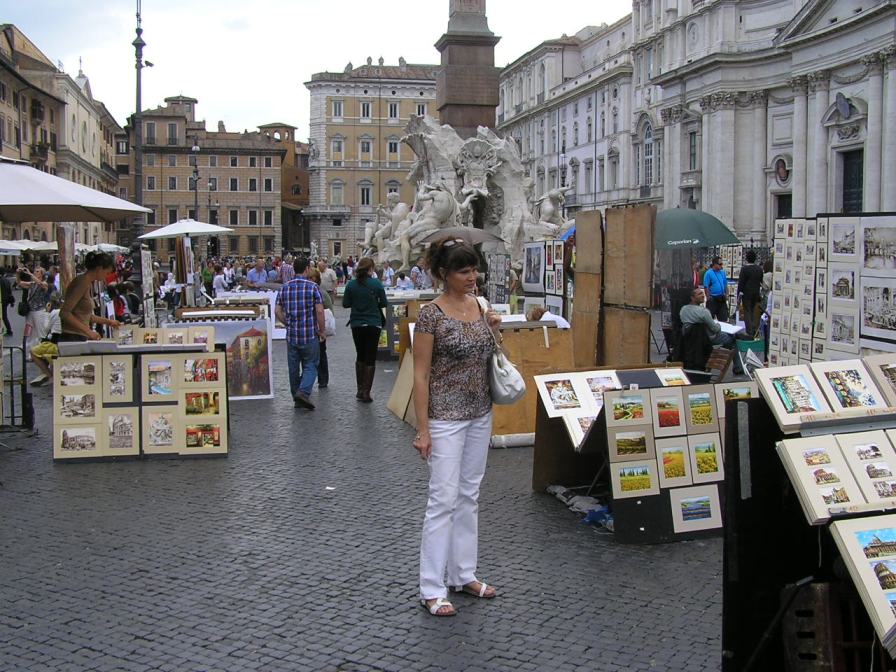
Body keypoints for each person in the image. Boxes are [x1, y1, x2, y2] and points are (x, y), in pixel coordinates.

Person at [412, 237, 502, 617]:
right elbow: (420, 375)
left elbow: (494, 357)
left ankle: (463, 573)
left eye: (474, 269)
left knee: (469, 495)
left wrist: (495, 329)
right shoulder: (430, 314)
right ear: (444, 274)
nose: (472, 276)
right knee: (443, 500)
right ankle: (431, 586)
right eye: (464, 270)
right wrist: (423, 429)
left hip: (480, 411)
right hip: (444, 418)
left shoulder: (480, 306)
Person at [275, 257, 325, 410]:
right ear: (307, 269)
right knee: (311, 364)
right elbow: (319, 311)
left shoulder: (285, 287)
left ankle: (296, 396)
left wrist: (287, 322)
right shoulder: (312, 287)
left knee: (293, 367)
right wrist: (322, 330)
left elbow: (277, 311)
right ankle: (303, 392)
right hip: (309, 334)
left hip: (292, 335)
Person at [342, 257, 388, 403]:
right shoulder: (376, 283)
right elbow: (384, 303)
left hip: (357, 324)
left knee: (360, 355)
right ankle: (367, 392)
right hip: (373, 324)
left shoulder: (351, 285)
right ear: (371, 269)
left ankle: (359, 389)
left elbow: (345, 303)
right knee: (370, 357)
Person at [60, 252, 122, 341]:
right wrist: (89, 332)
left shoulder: (87, 283)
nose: (106, 276)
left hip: (79, 336)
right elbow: (64, 313)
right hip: (73, 337)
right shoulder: (82, 282)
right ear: (100, 269)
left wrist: (109, 322)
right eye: (107, 273)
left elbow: (85, 315)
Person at [29, 293, 63, 386]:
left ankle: (50, 375)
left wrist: (47, 313)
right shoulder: (67, 311)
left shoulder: (54, 313)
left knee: (33, 352)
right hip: (66, 342)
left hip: (55, 345)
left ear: (50, 303)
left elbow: (45, 329)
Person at [306, 267, 332, 389]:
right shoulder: (306, 291)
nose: (310, 280)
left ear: (317, 279)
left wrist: (323, 328)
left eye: (312, 278)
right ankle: (309, 379)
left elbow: (329, 310)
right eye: (308, 278)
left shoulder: (322, 292)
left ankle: (323, 380)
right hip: (308, 327)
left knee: (321, 354)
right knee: (308, 355)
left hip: (319, 327)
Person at [17, 266, 51, 356]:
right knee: (30, 333)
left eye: (37, 271)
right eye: (35, 271)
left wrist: (30, 274)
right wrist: (18, 274)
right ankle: (31, 352)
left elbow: (41, 284)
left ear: (41, 274)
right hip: (30, 311)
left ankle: (42, 351)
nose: (35, 272)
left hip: (39, 311)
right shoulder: (32, 284)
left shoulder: (44, 283)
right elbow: (20, 283)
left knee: (40, 332)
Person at [737, 249, 764, 337]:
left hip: (746, 293)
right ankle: (753, 327)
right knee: (752, 311)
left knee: (747, 312)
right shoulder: (759, 269)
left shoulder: (744, 269)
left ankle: (749, 331)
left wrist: (738, 297)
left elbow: (741, 283)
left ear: (746, 258)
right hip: (755, 293)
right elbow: (761, 281)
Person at [702, 256, 729, 322]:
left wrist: (727, 294)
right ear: (714, 264)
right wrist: (708, 297)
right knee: (710, 319)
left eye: (722, 264)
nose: (721, 266)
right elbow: (706, 286)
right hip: (713, 298)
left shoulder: (722, 272)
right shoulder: (708, 273)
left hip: (722, 298)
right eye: (720, 264)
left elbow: (725, 284)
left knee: (724, 318)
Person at [0, 269, 14, 336]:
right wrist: (11, 302)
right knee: (4, 316)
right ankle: (9, 330)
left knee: (3, 316)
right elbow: (10, 292)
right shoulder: (7, 281)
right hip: (5, 301)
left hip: (1, 300)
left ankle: (8, 330)